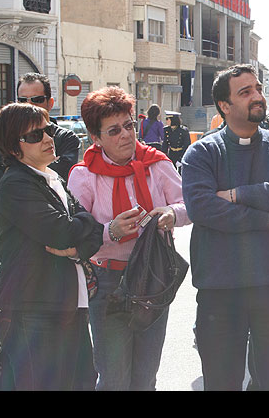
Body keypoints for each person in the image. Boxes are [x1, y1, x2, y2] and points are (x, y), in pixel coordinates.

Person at [181, 64, 269, 391]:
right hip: (220, 289)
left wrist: (239, 195)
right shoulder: (202, 152)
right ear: (224, 106)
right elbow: (203, 208)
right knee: (222, 382)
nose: (258, 97)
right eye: (245, 92)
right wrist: (264, 217)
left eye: (257, 88)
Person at [67, 86, 192, 390]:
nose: (125, 135)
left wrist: (170, 214)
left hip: (153, 278)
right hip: (107, 281)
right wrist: (111, 230)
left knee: (145, 377)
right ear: (95, 138)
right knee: (113, 379)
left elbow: (191, 205)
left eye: (129, 125)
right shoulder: (84, 175)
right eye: (114, 130)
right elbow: (75, 235)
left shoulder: (157, 164)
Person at [0, 103, 103, 390]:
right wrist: (83, 225)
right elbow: (61, 233)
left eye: (48, 130)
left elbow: (95, 231)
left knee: (82, 382)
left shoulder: (53, 180)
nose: (47, 139)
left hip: (67, 302)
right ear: (15, 149)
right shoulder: (15, 184)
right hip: (34, 308)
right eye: (35, 135)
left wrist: (79, 244)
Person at [0, 72, 81, 193]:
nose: (29, 106)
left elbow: (61, 176)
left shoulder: (66, 137)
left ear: (50, 103)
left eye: (37, 100)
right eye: (23, 100)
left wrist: (13, 168)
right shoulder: (7, 136)